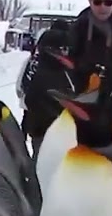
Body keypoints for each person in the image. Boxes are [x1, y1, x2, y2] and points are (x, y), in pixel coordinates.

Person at [17, 21, 76, 154]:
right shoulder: (56, 69)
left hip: (35, 120)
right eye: (63, 48)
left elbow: (20, 87)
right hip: (46, 125)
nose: (65, 51)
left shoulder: (34, 60)